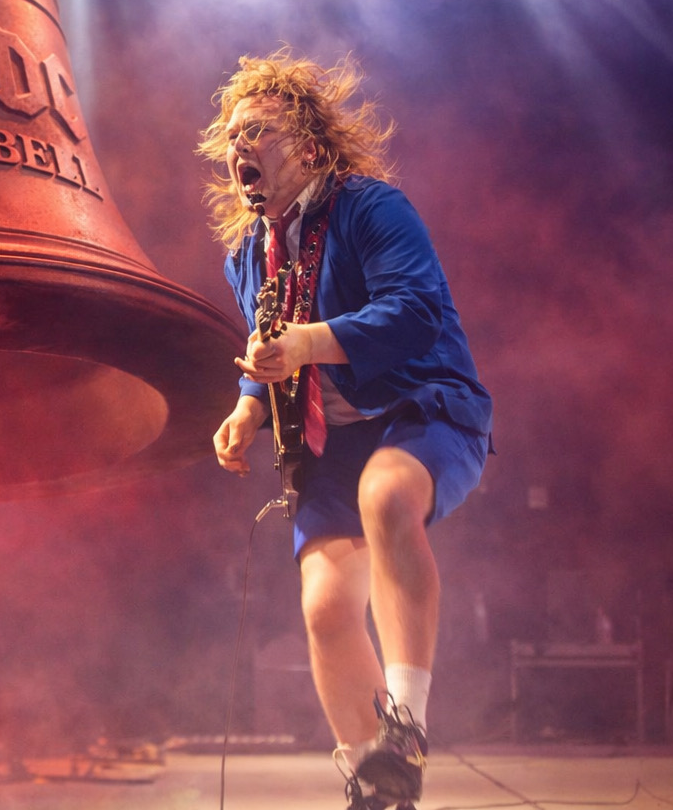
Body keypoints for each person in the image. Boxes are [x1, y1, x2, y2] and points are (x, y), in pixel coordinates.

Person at [199, 51, 491, 809]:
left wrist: (306, 343)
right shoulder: (248, 255)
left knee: (387, 497)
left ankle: (406, 728)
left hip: (421, 408)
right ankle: (378, 786)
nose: (238, 147)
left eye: (256, 131)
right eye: (231, 136)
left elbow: (415, 311)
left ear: (309, 147)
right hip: (329, 447)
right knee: (325, 608)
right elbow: (268, 349)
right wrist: (247, 406)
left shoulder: (370, 207)